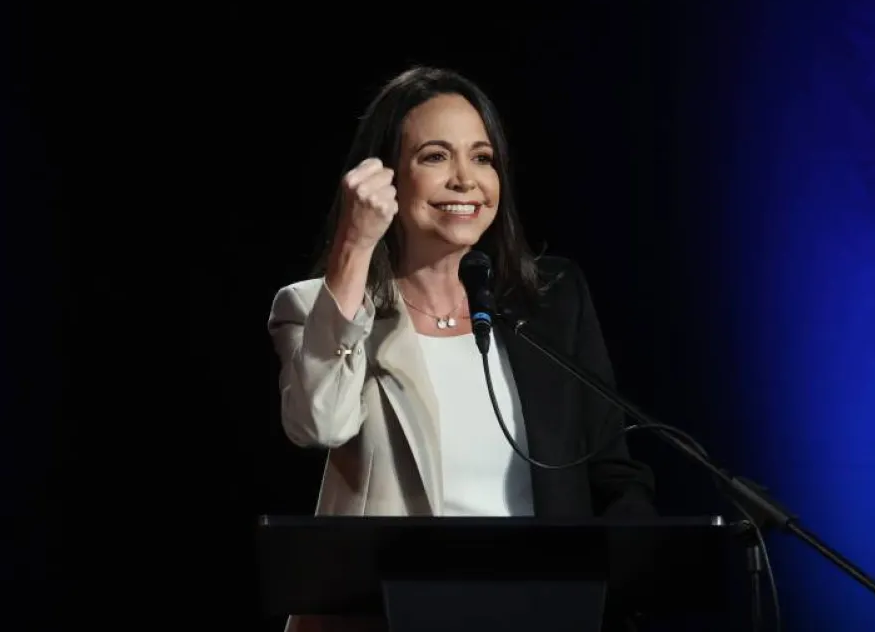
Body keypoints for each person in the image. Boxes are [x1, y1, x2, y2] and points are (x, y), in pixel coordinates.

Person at [267, 66, 656, 632]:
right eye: (434, 157)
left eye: (482, 157)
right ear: (384, 177)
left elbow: (612, 473)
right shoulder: (318, 308)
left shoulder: (550, 302)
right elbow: (319, 424)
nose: (465, 180)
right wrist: (353, 246)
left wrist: (623, 582)